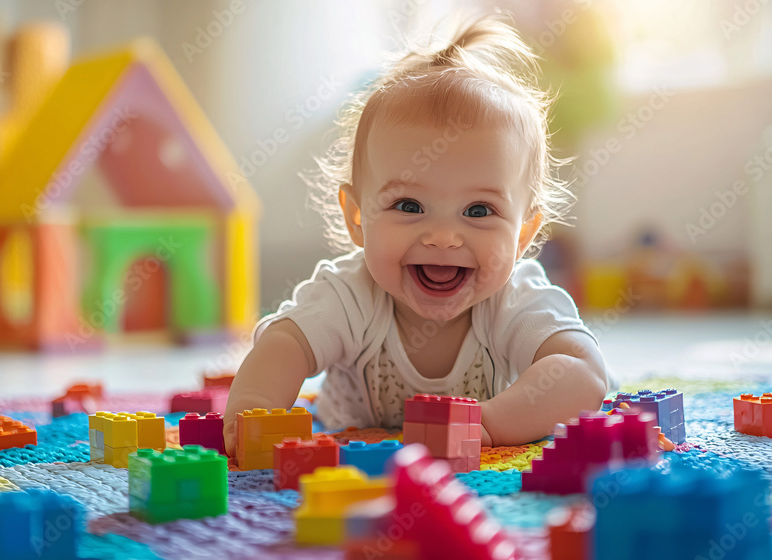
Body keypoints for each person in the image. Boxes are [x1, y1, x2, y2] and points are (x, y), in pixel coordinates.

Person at [224, 13, 608, 453]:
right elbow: (284, 345)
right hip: (355, 468)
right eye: (409, 206)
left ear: (522, 235)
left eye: (478, 210)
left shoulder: (515, 299)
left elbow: (582, 373)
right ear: (356, 218)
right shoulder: (350, 295)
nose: (443, 237)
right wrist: (252, 410)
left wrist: (489, 425)